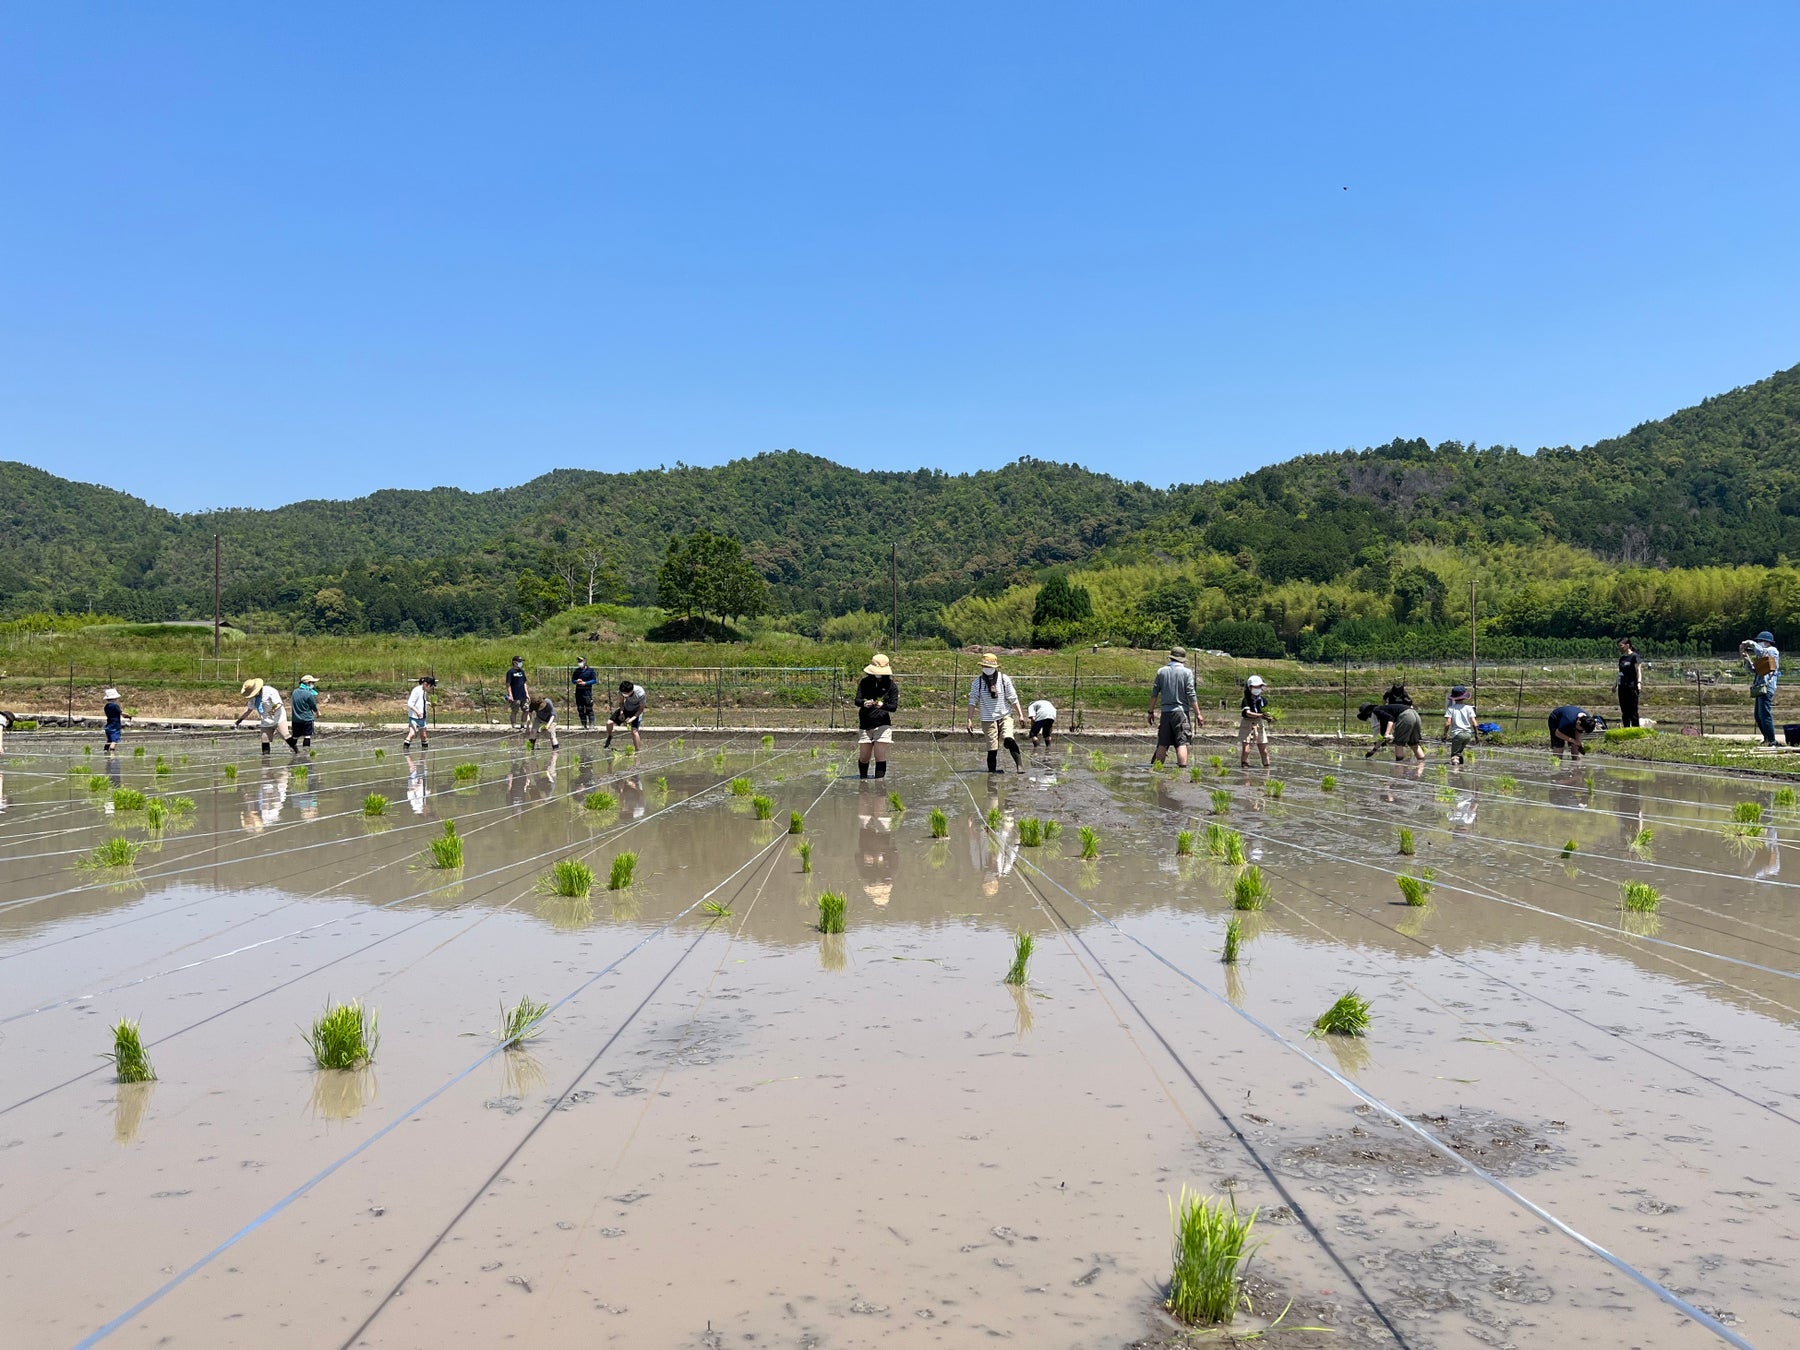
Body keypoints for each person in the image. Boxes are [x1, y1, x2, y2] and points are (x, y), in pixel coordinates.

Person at [967, 654, 1026, 774]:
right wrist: (969, 719)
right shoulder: (977, 683)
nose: (986, 668)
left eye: (989, 666)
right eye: (985, 665)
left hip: (1005, 715)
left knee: (1009, 738)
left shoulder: (1004, 679)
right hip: (988, 718)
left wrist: (1020, 714)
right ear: (982, 667)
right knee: (992, 748)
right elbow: (972, 701)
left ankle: (1020, 766)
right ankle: (992, 772)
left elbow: (1013, 698)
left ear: (995, 667)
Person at [1147, 646, 1201, 770]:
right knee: (1182, 743)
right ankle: (1182, 771)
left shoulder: (1161, 672)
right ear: (1182, 659)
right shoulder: (1187, 672)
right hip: (1181, 712)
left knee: (1163, 743)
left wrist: (1150, 711)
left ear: (1171, 657)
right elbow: (1191, 694)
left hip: (1165, 713)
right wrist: (1198, 713)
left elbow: (1154, 693)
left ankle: (1157, 770)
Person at [855, 653, 898, 779]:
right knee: (864, 757)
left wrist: (882, 705)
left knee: (879, 756)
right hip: (865, 724)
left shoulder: (891, 686)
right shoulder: (864, 683)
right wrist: (864, 703)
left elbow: (893, 707)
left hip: (882, 725)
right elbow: (857, 700)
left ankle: (879, 787)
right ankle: (863, 781)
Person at [1741, 631, 1781, 747]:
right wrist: (1746, 659)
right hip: (1760, 687)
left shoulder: (1772, 651)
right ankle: (1767, 738)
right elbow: (1754, 669)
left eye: (1760, 641)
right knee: (1758, 715)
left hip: (1767, 687)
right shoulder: (1762, 656)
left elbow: (1762, 651)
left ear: (1767, 642)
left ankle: (1772, 740)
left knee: (1765, 714)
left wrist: (1751, 643)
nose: (1759, 643)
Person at [234, 678, 288, 755]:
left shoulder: (270, 691)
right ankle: (265, 760)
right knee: (264, 738)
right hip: (265, 719)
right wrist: (239, 720)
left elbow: (279, 703)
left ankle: (297, 752)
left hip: (278, 716)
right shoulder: (252, 697)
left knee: (285, 735)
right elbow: (249, 710)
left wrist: (273, 710)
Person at [1239, 675, 1271, 768]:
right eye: (1255, 687)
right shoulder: (1246, 700)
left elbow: (1266, 712)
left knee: (1264, 749)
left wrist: (1270, 717)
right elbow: (1248, 713)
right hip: (1247, 723)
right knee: (1246, 749)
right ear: (1250, 687)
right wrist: (1261, 715)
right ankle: (1244, 766)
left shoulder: (1263, 700)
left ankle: (1266, 767)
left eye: (1259, 686)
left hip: (1259, 724)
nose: (1257, 689)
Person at [605, 679, 646, 751]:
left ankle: (638, 751)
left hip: (636, 711)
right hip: (626, 708)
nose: (624, 694)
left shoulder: (640, 693)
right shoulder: (622, 692)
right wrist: (621, 712)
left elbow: (641, 709)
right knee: (609, 723)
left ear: (631, 691)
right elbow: (621, 703)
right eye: (623, 693)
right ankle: (610, 736)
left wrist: (632, 719)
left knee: (634, 731)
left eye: (625, 693)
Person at [1444, 686, 1477, 765]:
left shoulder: (1451, 709)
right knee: (1459, 751)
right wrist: (1476, 735)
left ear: (1454, 698)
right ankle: (1460, 764)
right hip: (1468, 735)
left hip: (1457, 734)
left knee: (1454, 755)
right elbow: (1474, 723)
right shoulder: (1469, 708)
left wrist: (1444, 734)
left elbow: (1448, 723)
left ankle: (1456, 772)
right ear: (1464, 697)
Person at [1616, 639, 1643, 729]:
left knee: (1633, 710)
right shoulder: (1622, 658)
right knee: (1624, 710)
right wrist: (1615, 684)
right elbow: (1620, 672)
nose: (1620, 648)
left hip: (1631, 686)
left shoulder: (1635, 657)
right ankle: (1626, 729)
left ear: (1627, 645)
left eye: (1621, 646)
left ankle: (1636, 729)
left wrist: (1639, 683)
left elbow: (1638, 670)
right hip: (1622, 687)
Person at [402, 675, 435, 750]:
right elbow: (410, 703)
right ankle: (405, 752)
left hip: (422, 717)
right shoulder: (416, 690)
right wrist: (417, 712)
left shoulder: (424, 691)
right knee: (412, 734)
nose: (431, 689)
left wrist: (428, 703)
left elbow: (421, 701)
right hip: (414, 717)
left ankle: (424, 755)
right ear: (427, 684)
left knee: (423, 736)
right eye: (431, 687)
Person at [289, 675, 320, 753]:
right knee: (307, 736)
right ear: (308, 683)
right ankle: (306, 753)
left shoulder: (294, 692)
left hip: (295, 719)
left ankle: (293, 751)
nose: (313, 684)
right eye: (312, 682)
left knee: (295, 736)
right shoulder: (308, 694)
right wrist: (318, 713)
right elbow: (313, 706)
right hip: (307, 719)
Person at [102, 688, 132, 755]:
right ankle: (112, 753)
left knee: (109, 741)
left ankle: (105, 751)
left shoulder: (106, 706)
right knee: (114, 741)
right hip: (115, 726)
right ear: (114, 698)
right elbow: (122, 714)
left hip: (108, 726)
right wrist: (128, 716)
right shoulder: (115, 706)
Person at [571, 658, 598, 729]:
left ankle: (592, 724)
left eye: (581, 661)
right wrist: (577, 681)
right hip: (578, 692)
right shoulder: (577, 671)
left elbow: (594, 680)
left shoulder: (590, 670)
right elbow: (573, 680)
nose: (579, 663)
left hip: (587, 692)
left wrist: (586, 683)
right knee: (580, 709)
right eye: (578, 661)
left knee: (589, 708)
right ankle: (583, 724)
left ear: (585, 661)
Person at [504, 656, 530, 728]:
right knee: (515, 711)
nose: (521, 663)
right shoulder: (510, 672)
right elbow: (508, 684)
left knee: (526, 710)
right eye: (519, 661)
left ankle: (523, 724)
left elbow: (524, 683)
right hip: (515, 695)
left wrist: (527, 693)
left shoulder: (522, 671)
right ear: (514, 662)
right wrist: (510, 695)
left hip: (523, 695)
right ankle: (513, 725)